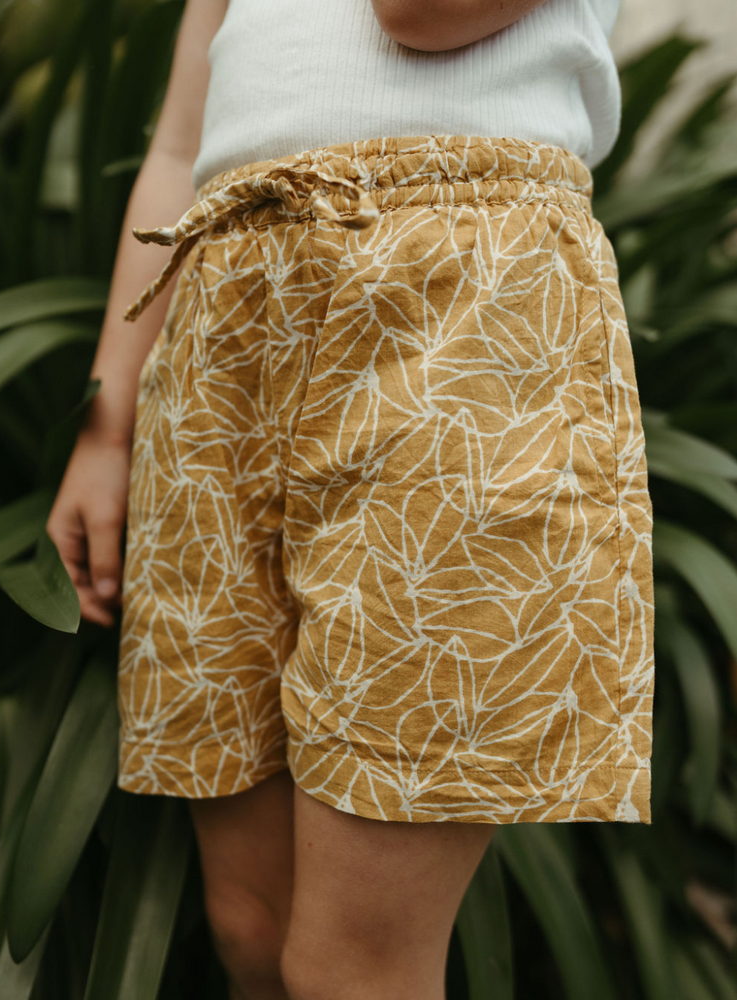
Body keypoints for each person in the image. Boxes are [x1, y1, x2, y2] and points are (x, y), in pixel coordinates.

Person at [47, 1, 656, 998]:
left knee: (349, 968)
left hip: (456, 308)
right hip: (225, 323)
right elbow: (179, 142)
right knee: (252, 927)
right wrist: (108, 425)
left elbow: (417, 16)